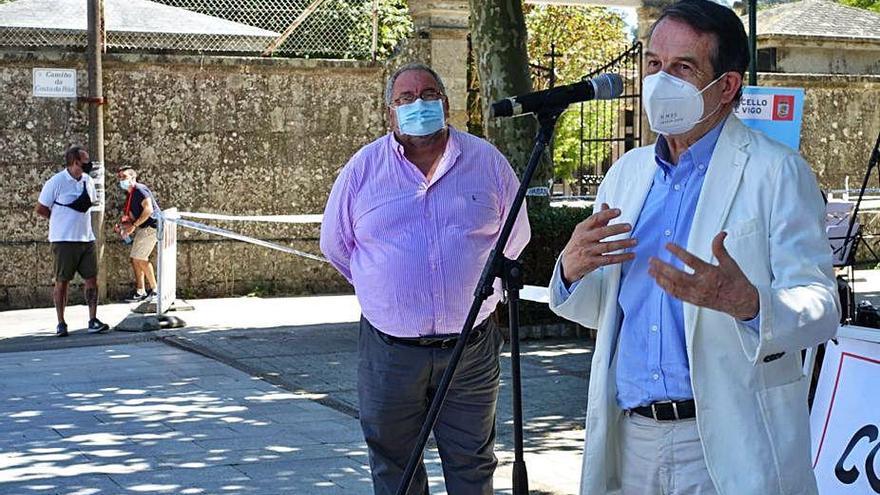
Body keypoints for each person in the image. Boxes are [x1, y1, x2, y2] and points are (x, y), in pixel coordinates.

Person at [548, 1, 839, 494]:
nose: (663, 81)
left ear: (727, 86)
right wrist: (571, 272)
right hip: (632, 437)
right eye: (656, 65)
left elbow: (822, 306)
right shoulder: (626, 175)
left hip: (727, 438)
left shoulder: (776, 172)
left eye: (684, 67)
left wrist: (748, 304)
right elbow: (610, 311)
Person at [320, 62, 530, 495]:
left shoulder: (486, 162)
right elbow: (336, 245)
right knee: (395, 467)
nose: (419, 104)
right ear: (390, 111)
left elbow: (516, 235)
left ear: (446, 103)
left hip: (470, 350)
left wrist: (476, 289)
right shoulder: (363, 170)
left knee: (473, 464)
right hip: (390, 351)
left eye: (429, 94)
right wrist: (384, 291)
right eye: (406, 98)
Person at [36, 145, 111, 337]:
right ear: (75, 162)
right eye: (86, 161)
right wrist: (61, 219)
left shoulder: (87, 180)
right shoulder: (56, 182)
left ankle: (93, 319)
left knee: (92, 280)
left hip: (86, 238)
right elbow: (41, 209)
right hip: (63, 240)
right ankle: (61, 322)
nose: (89, 164)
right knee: (62, 281)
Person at [116, 166, 160, 302]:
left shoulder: (139, 190)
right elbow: (133, 216)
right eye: (120, 177)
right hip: (144, 228)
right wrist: (123, 227)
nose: (121, 180)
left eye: (124, 177)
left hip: (151, 227)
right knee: (136, 259)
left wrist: (133, 226)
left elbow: (148, 210)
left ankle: (155, 290)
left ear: (133, 178)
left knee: (140, 258)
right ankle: (141, 291)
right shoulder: (131, 194)